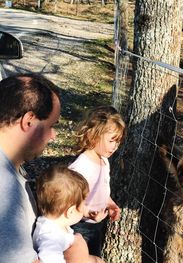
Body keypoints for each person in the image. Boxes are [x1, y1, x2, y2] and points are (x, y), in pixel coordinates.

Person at [0, 74, 89, 263]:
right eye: (51, 125)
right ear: (29, 121)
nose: (53, 135)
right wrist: (80, 259)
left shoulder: (9, 168)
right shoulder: (5, 190)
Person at [69, 105, 126, 257]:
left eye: (118, 142)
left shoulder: (104, 161)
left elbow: (102, 189)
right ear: (93, 135)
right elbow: (68, 202)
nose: (115, 147)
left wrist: (110, 203)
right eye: (111, 141)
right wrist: (88, 213)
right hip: (79, 226)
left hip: (96, 224)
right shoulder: (81, 167)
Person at [33, 165, 104, 263]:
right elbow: (49, 259)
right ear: (70, 211)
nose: (85, 208)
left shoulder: (54, 224)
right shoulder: (50, 236)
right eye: (84, 204)